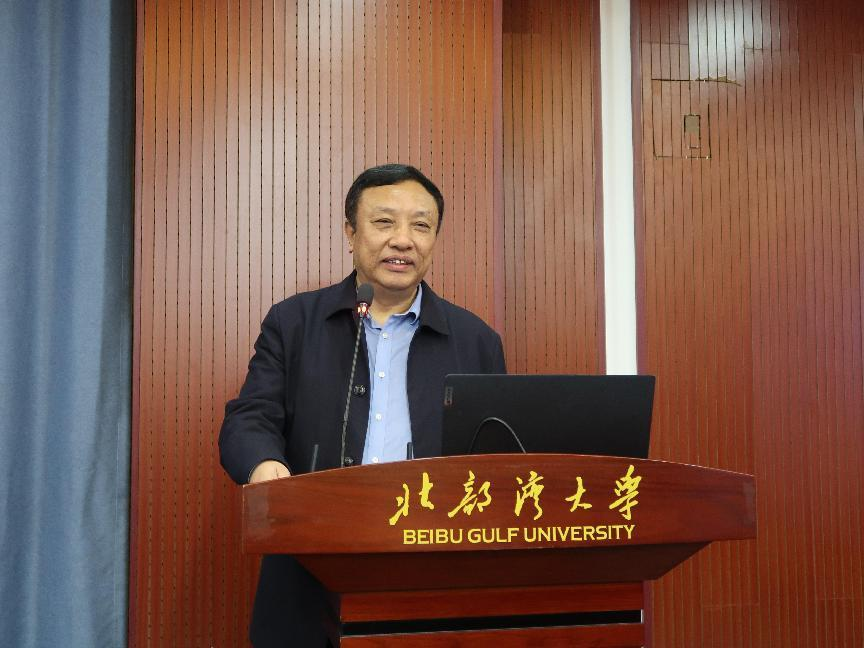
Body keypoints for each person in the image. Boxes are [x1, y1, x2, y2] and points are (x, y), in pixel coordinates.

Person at [219, 163, 506, 647]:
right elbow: (251, 417)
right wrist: (266, 468)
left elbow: (496, 459)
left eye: (421, 225)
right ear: (350, 232)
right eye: (384, 222)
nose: (403, 240)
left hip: (433, 574)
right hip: (310, 567)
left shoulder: (476, 341)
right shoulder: (294, 323)